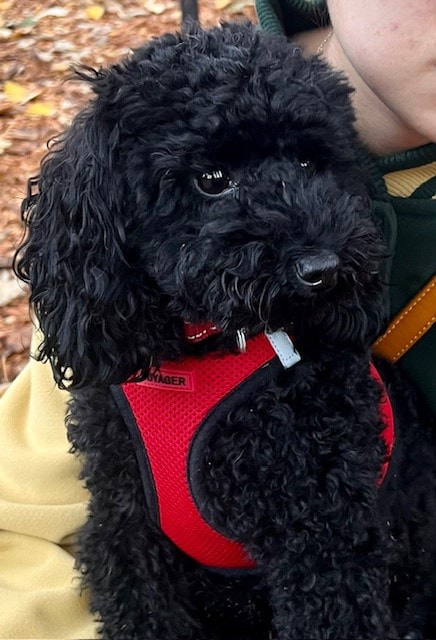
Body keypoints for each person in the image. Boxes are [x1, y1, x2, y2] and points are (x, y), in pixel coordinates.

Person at [0, 1, 434, 637]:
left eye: (313, 168)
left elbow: (336, 567)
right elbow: (45, 525)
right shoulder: (126, 193)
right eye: (212, 180)